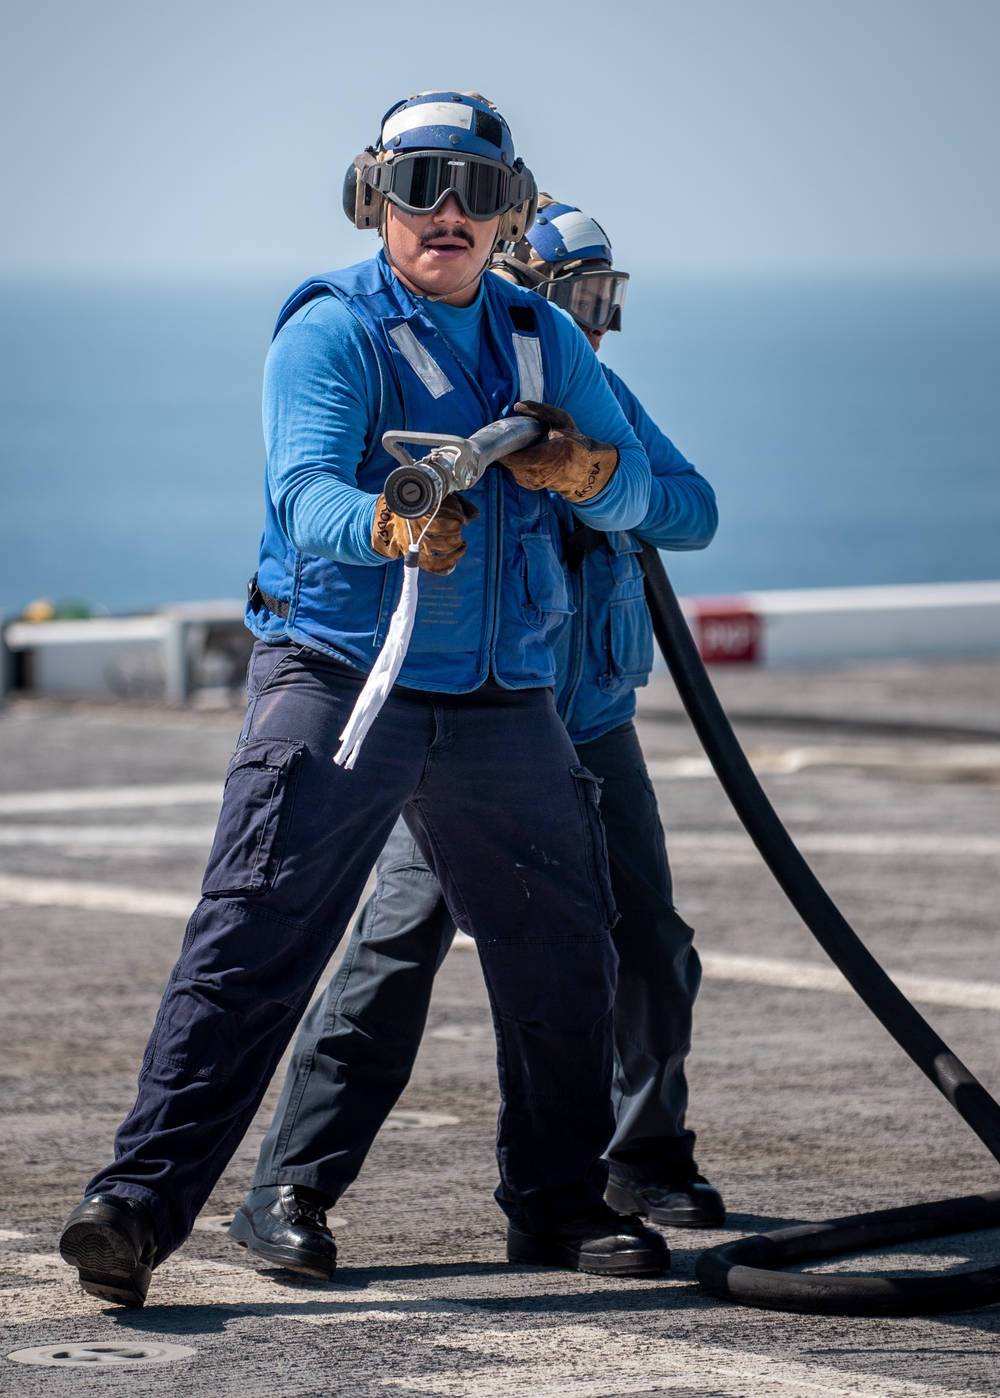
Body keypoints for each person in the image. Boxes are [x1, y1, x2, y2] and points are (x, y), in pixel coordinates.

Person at [58, 91, 667, 1308]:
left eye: (478, 191)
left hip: (504, 702)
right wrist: (388, 523)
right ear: (371, 197)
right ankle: (135, 1207)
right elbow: (300, 494)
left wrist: (590, 475)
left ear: (508, 213)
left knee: (563, 960)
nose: (447, 212)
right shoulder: (329, 331)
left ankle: (553, 1205)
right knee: (251, 943)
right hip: (342, 683)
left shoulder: (549, 345)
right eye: (422, 185)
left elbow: (654, 493)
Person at [227, 196, 723, 1283]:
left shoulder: (590, 402)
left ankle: (637, 1158)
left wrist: (592, 473)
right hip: (476, 724)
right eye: (576, 298)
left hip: (588, 723)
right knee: (391, 960)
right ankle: (289, 1193)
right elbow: (323, 498)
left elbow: (689, 508)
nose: (592, 325)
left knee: (645, 950)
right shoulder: (457, 382)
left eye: (606, 299)